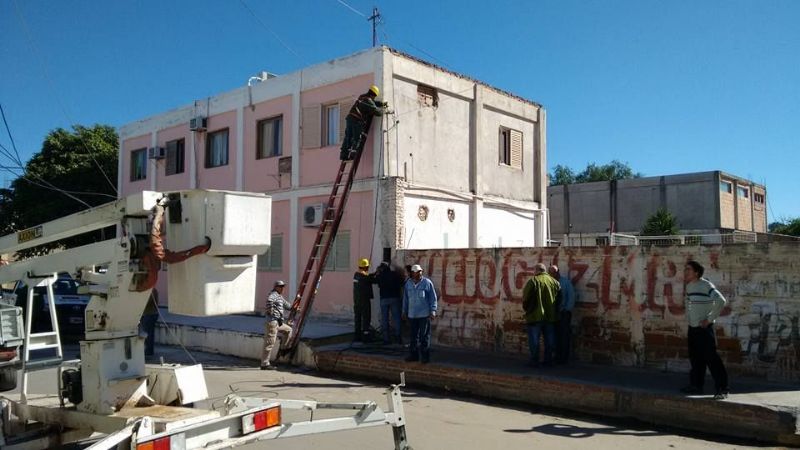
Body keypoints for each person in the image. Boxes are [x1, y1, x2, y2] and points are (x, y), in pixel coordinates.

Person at [681, 261, 729, 399]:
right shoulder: (689, 286)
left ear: (697, 272)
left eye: (689, 269)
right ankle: (696, 386)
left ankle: (722, 389)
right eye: (685, 269)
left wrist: (709, 319)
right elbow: (689, 303)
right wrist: (690, 320)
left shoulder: (706, 285)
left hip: (704, 329)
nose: (686, 271)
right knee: (695, 359)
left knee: (712, 359)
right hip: (693, 328)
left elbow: (721, 300)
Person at [522, 263, 560, 368]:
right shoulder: (555, 282)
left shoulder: (533, 281)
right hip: (550, 316)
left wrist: (527, 310)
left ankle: (535, 361)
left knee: (534, 340)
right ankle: (549, 360)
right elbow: (559, 300)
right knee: (549, 339)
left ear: (537, 270)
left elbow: (525, 298)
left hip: (535, 316)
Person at [340, 85, 389, 161]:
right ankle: (353, 155)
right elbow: (377, 112)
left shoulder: (362, 96)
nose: (374, 98)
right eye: (375, 97)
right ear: (374, 95)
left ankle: (344, 155)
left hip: (349, 118)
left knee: (348, 137)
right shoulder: (368, 101)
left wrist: (381, 104)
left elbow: (373, 103)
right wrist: (385, 111)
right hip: (356, 120)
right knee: (357, 138)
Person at [403, 264, 437, 363]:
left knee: (424, 336)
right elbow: (405, 299)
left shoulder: (427, 283)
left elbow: (432, 298)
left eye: (420, 272)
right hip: (412, 315)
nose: (419, 274)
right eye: (416, 272)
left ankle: (425, 357)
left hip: (424, 315)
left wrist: (433, 310)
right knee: (413, 336)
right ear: (412, 273)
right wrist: (404, 311)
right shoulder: (408, 284)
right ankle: (414, 355)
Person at [261, 280, 294, 370]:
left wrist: (295, 308)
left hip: (278, 322)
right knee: (270, 343)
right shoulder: (274, 295)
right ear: (276, 287)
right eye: (281, 286)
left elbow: (287, 305)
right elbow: (269, 300)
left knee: (288, 330)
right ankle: (264, 364)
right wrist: (270, 311)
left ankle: (283, 349)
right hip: (272, 322)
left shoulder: (279, 297)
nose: (282, 288)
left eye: (283, 286)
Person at [549, 265, 575, 364]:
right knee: (554, 335)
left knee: (564, 336)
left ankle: (564, 357)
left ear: (558, 272)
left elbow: (571, 297)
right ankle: (556, 355)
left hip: (563, 313)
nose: (552, 275)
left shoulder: (566, 282)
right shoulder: (549, 282)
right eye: (550, 273)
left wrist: (566, 310)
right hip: (553, 314)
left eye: (554, 272)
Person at [375, 262, 404, 345]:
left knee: (385, 319)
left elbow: (375, 281)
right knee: (397, 318)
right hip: (395, 298)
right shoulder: (395, 274)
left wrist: (377, 273)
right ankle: (398, 337)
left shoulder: (380, 275)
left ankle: (386, 339)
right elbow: (401, 283)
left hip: (384, 298)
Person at [353, 258, 375, 342]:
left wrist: (371, 275)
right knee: (366, 318)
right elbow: (372, 279)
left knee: (357, 318)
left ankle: (357, 336)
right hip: (364, 301)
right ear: (366, 267)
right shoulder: (365, 277)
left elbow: (367, 277)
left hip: (356, 301)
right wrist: (376, 273)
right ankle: (366, 337)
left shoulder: (356, 275)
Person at [140, 289, 159, 357]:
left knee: (148, 334)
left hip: (150, 314)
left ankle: (149, 351)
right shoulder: (152, 290)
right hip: (149, 314)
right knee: (149, 333)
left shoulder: (151, 291)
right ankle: (148, 350)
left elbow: (147, 302)